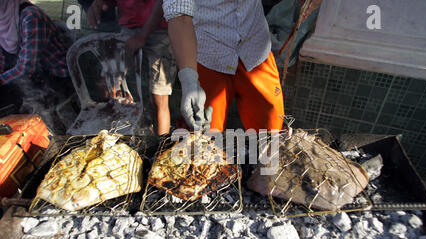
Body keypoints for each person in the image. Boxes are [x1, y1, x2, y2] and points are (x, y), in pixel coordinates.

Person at [158, 0, 323, 133]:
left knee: (272, 132)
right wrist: (189, 80)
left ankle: (264, 173)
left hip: (255, 50)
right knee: (205, 136)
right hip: (208, 54)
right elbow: (180, 15)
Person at [86, 0, 177, 136]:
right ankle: (113, 139)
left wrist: (142, 36)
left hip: (159, 29)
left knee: (159, 97)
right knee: (109, 85)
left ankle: (161, 144)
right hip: (128, 28)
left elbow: (162, 4)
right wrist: (100, 3)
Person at [0, 0, 70, 88]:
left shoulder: (31, 17)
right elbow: (2, 60)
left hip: (58, 82)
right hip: (35, 80)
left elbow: (27, 69)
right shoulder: (2, 21)